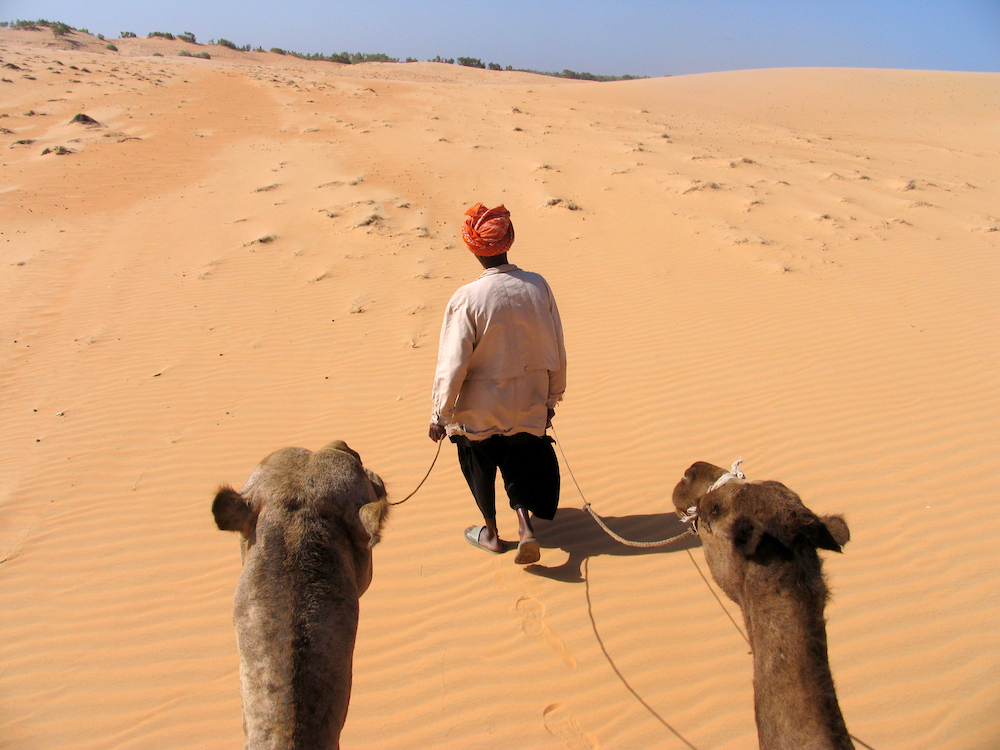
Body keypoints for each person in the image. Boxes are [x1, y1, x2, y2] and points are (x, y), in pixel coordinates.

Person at [428, 203, 567, 565]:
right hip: (529, 403)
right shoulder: (538, 286)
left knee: (478, 463)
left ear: (474, 249)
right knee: (519, 457)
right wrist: (552, 398)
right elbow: (557, 345)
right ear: (509, 241)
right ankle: (525, 527)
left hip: (480, 410)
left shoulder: (466, 299)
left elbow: (451, 366)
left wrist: (440, 415)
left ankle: (491, 533)